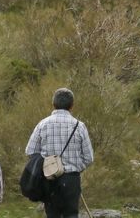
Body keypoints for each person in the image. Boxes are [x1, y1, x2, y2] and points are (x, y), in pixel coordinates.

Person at [25, 87, 93, 218]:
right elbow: (88, 157)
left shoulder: (42, 124)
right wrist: (76, 168)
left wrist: (46, 166)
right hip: (72, 179)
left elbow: (30, 151)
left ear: (53, 104)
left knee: (52, 215)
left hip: (49, 179)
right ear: (72, 105)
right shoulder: (80, 126)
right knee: (72, 214)